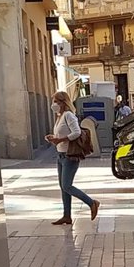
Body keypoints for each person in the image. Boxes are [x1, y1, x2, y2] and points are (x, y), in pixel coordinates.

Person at [46, 91, 100, 225]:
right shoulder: (60, 116)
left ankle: (92, 203)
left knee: (67, 186)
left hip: (69, 156)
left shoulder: (69, 115)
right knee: (63, 187)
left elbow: (77, 132)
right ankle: (66, 216)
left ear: (63, 102)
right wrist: (53, 139)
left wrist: (61, 139)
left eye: (56, 102)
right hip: (60, 155)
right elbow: (62, 135)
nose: (54, 105)